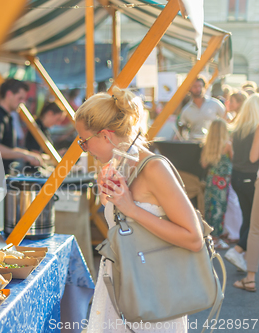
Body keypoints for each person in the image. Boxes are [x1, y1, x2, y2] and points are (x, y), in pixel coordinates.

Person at [77, 87, 203, 333]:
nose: (84, 148)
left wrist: (131, 208)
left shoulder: (154, 168)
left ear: (105, 135)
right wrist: (108, 197)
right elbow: (124, 221)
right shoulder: (120, 163)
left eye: (84, 141)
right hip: (122, 284)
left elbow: (193, 238)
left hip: (153, 292)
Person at [225, 94, 259, 272]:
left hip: (237, 177)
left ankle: (243, 257)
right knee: (255, 222)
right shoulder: (255, 130)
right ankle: (238, 251)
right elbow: (254, 158)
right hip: (250, 178)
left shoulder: (238, 129)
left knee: (248, 218)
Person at [0, 79, 42, 173]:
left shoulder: (8, 117)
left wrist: (28, 154)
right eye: (20, 98)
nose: (23, 102)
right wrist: (23, 154)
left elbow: (9, 148)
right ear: (9, 94)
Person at [200, 119, 233, 249]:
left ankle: (209, 236)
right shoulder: (227, 145)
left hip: (210, 180)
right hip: (223, 182)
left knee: (209, 208)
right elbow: (233, 160)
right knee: (220, 208)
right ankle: (216, 239)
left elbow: (203, 164)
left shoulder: (207, 145)